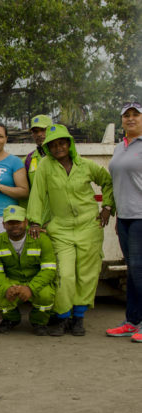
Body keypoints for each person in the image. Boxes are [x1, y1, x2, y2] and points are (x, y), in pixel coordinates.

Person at [28, 124, 114, 336]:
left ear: (69, 143)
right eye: (53, 145)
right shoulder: (45, 167)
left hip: (89, 227)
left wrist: (107, 207)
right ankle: (63, 317)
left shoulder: (84, 164)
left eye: (62, 143)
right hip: (61, 229)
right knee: (64, 275)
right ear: (48, 147)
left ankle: (79, 318)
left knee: (86, 274)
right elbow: (37, 195)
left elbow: (107, 182)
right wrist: (35, 222)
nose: (58, 148)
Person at [0, 205, 57, 336]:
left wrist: (31, 288)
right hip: (11, 282)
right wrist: (6, 288)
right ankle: (11, 319)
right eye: (10, 223)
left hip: (35, 280)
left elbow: (49, 270)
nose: (14, 226)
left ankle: (39, 322)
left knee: (46, 295)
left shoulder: (42, 240)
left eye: (18, 222)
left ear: (26, 222)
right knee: (0, 297)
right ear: (3, 224)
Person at [106, 102, 142, 342]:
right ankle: (132, 321)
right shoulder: (120, 147)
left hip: (141, 216)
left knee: (140, 272)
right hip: (125, 217)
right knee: (132, 273)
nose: (130, 119)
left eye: (136, 115)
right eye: (126, 115)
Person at [19, 114, 52, 209]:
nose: (39, 134)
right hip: (38, 217)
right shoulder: (27, 161)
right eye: (35, 131)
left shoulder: (63, 157)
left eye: (43, 130)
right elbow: (24, 194)